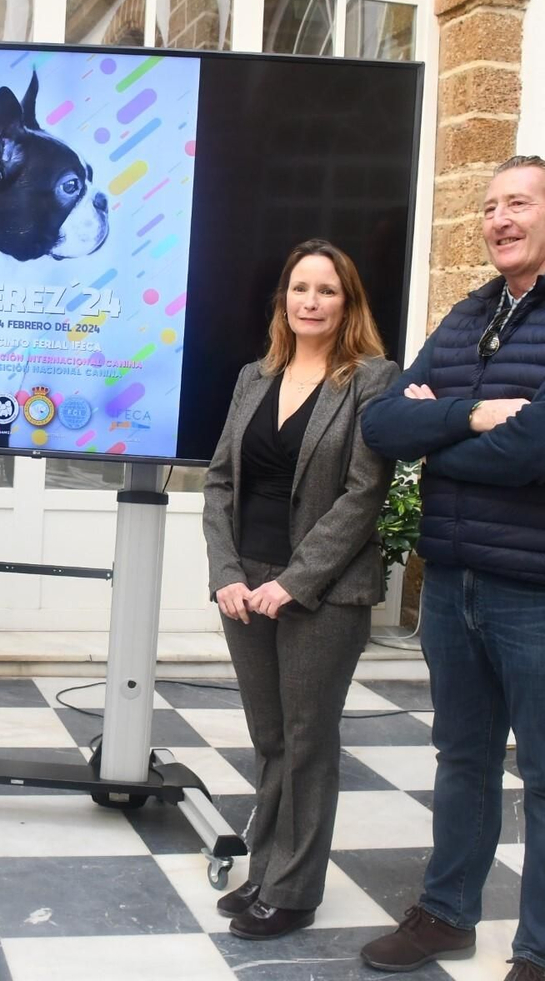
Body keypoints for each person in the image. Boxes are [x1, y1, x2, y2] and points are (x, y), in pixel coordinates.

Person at [358, 156, 545, 981]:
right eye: (489, 206)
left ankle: (542, 954)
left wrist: (439, 439)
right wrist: (476, 415)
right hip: (455, 580)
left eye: (518, 202)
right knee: (462, 757)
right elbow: (383, 425)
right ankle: (446, 912)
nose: (498, 219)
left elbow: (540, 449)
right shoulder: (467, 317)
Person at [203, 239, 399, 940]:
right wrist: (226, 573)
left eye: (327, 290)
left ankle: (294, 891)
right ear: (283, 298)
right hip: (246, 584)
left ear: (348, 304)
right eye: (300, 288)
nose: (310, 302)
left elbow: (363, 493)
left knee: (307, 738)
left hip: (323, 590)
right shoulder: (253, 376)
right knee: (270, 738)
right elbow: (220, 481)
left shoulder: (371, 380)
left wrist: (294, 582)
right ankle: (264, 872)